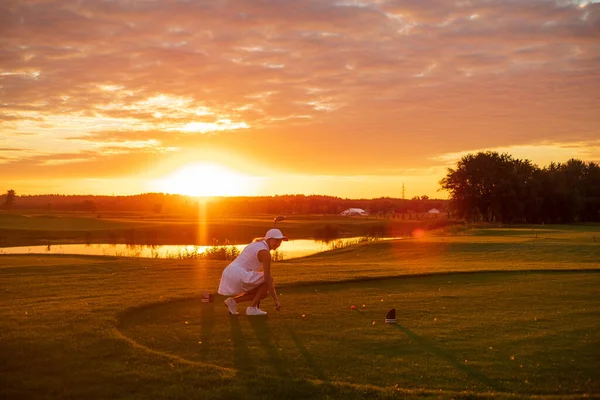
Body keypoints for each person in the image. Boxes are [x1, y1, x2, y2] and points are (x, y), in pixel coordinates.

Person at [218, 228, 287, 315]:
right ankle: (252, 308)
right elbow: (267, 278)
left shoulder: (257, 243)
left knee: (262, 291)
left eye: (280, 241)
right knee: (268, 281)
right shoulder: (265, 253)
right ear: (269, 239)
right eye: (276, 240)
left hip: (229, 272)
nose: (278, 244)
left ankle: (233, 302)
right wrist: (276, 300)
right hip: (239, 274)